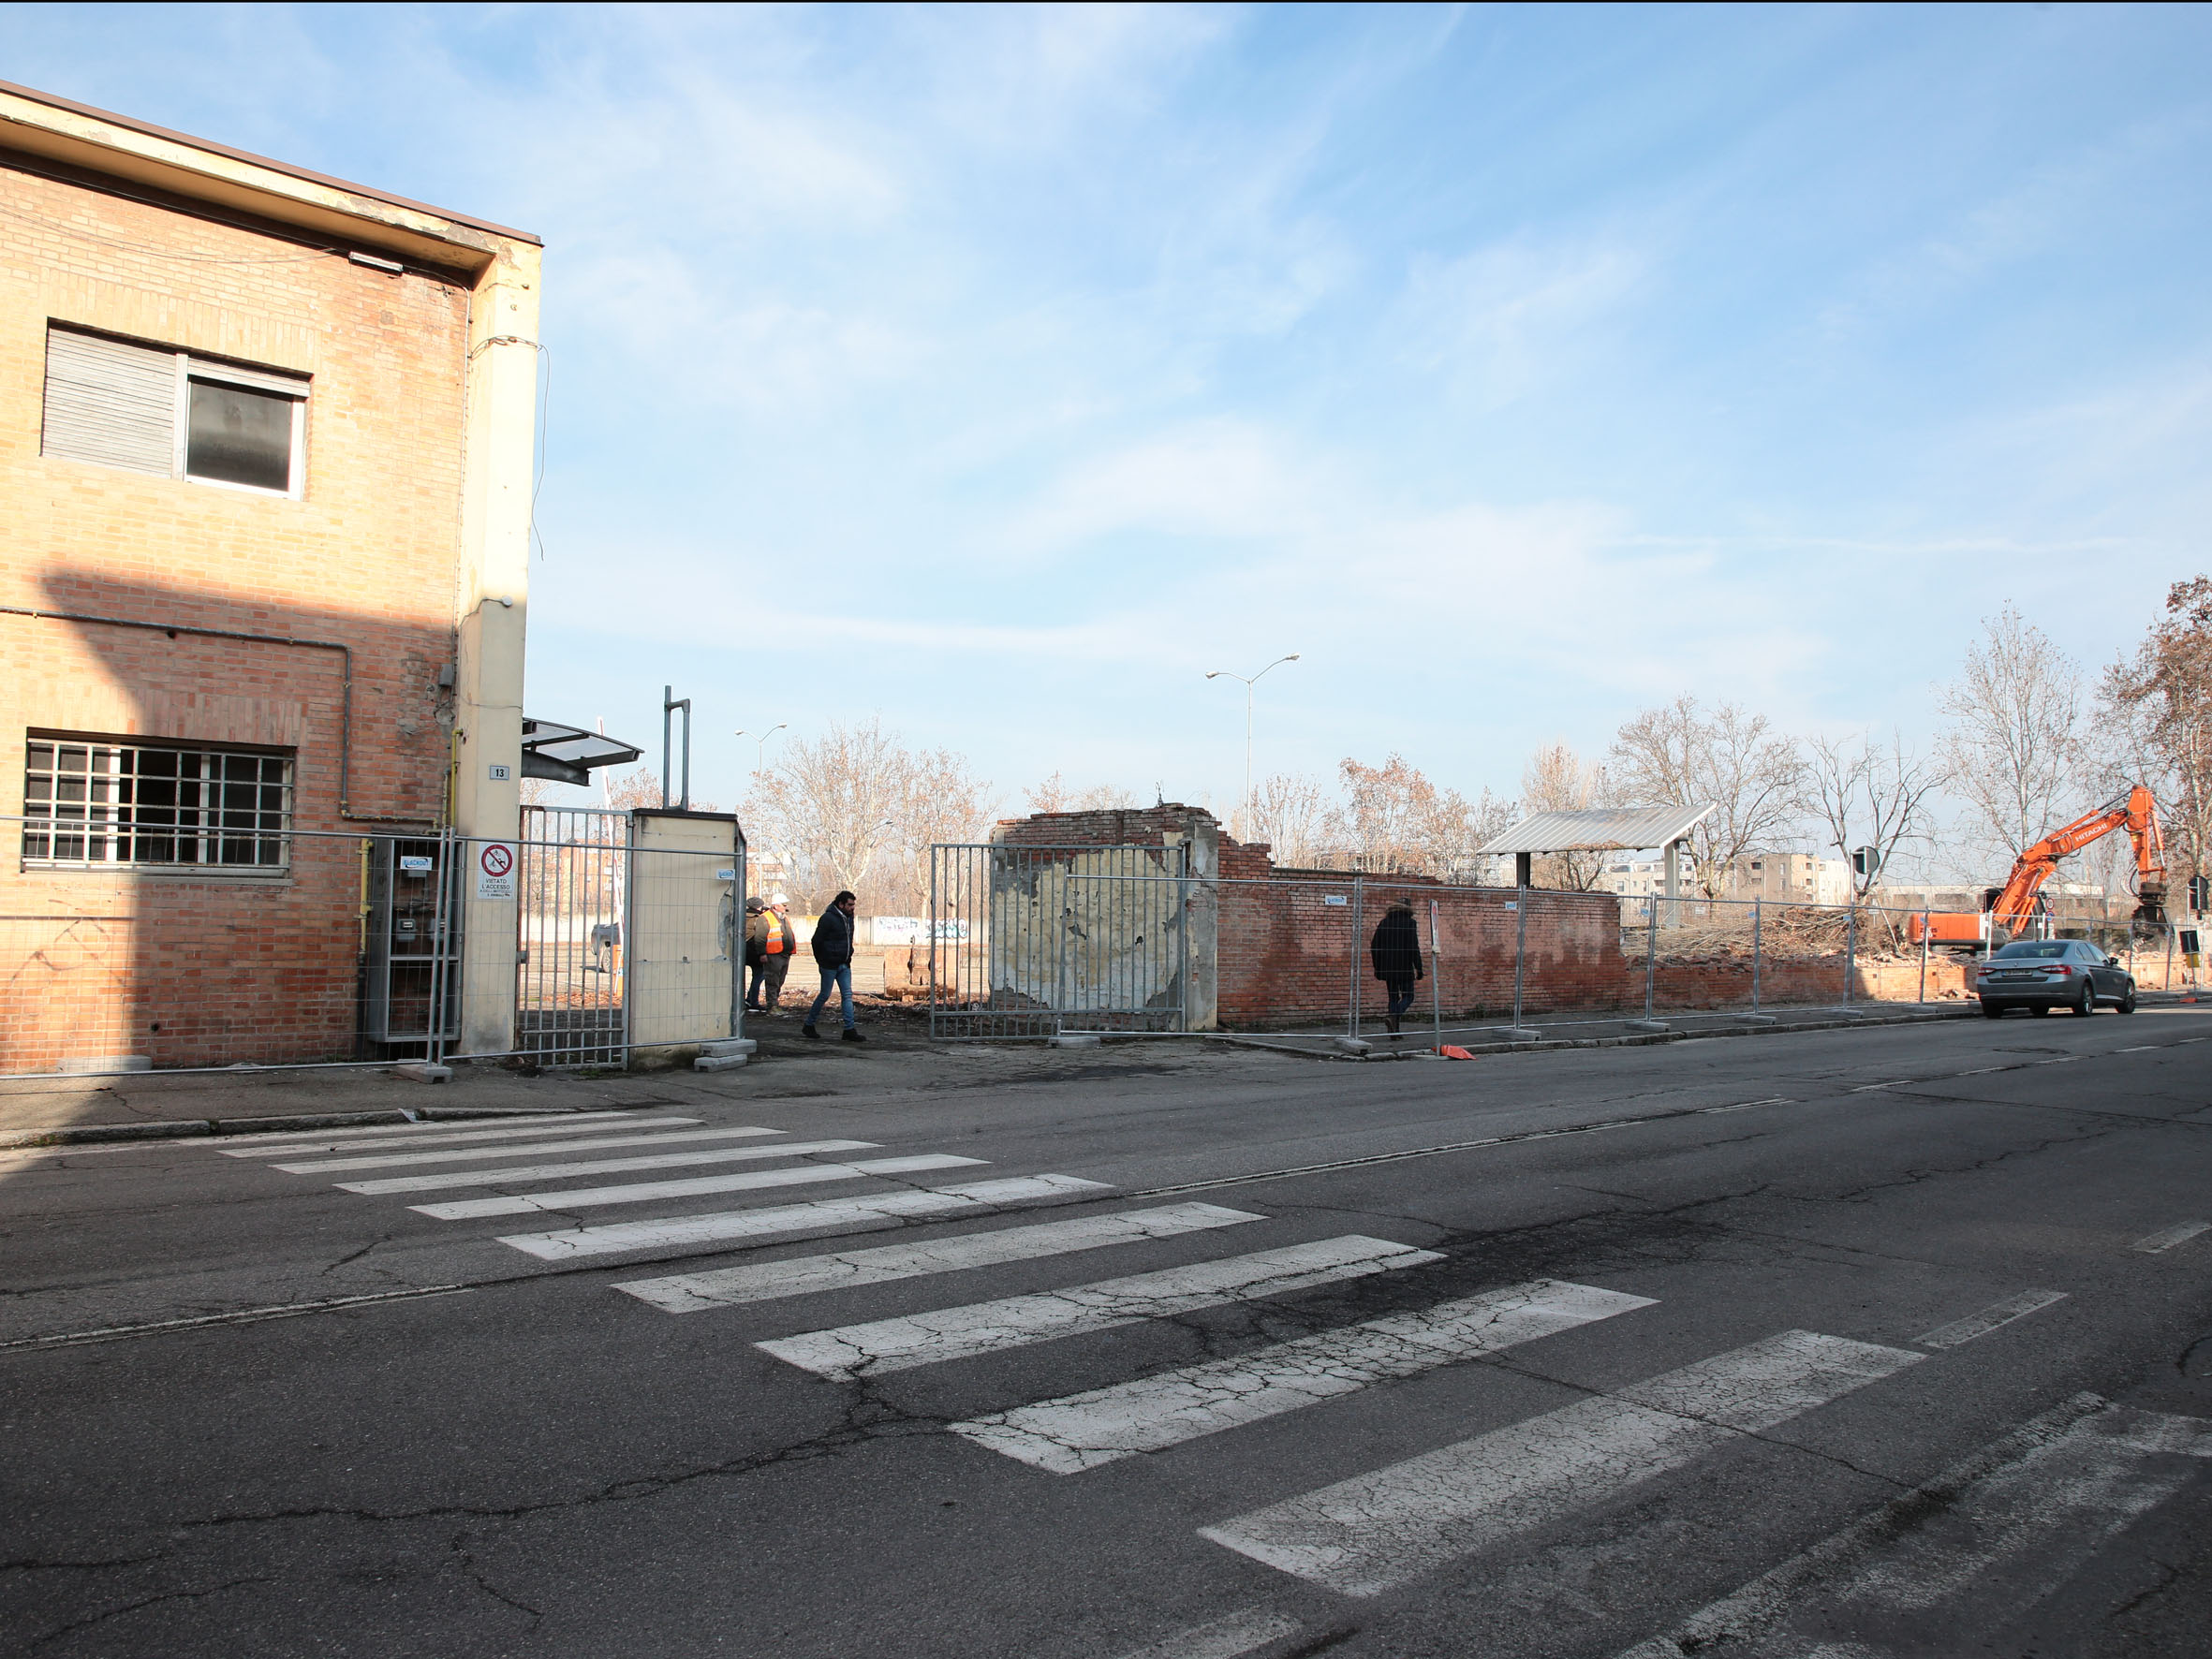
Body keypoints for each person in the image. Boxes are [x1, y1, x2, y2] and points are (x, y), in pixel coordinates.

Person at [804, 889, 863, 1041]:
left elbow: (848, 940)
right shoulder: (828, 918)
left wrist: (848, 955)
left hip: (844, 964)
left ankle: (849, 1029)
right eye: (850, 905)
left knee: (847, 995)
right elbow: (816, 941)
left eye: (853, 905)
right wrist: (821, 959)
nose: (852, 908)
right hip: (829, 964)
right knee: (825, 994)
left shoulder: (849, 918)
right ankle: (809, 1024)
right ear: (841, 904)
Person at [1370, 901, 1423, 1035]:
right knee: (1408, 996)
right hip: (1404, 967)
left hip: (1388, 968)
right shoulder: (1410, 923)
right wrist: (1419, 968)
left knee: (1393, 998)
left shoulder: (1384, 923)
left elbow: (1374, 946)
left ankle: (1394, 1032)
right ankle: (1394, 1017)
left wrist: (1377, 967)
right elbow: (1413, 947)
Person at [745, 894, 796, 1015]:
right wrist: (762, 953)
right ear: (776, 906)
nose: (786, 907)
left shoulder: (784, 918)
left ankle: (774, 1004)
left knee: (779, 981)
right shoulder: (765, 918)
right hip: (773, 954)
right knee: (772, 981)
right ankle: (771, 1006)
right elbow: (760, 938)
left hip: (784, 953)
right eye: (784, 905)